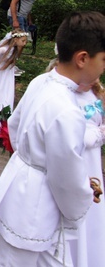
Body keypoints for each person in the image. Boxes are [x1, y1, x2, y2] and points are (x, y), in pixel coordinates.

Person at [0, 11, 105, 266]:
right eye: (103, 59)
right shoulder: (67, 110)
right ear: (83, 58)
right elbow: (66, 178)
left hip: (18, 186)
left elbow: (15, 128)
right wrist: (84, 196)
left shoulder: (41, 81)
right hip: (39, 207)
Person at [69, 80, 105, 266]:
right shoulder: (62, 93)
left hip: (92, 165)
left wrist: (98, 133)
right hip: (69, 162)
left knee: (91, 217)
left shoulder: (98, 93)